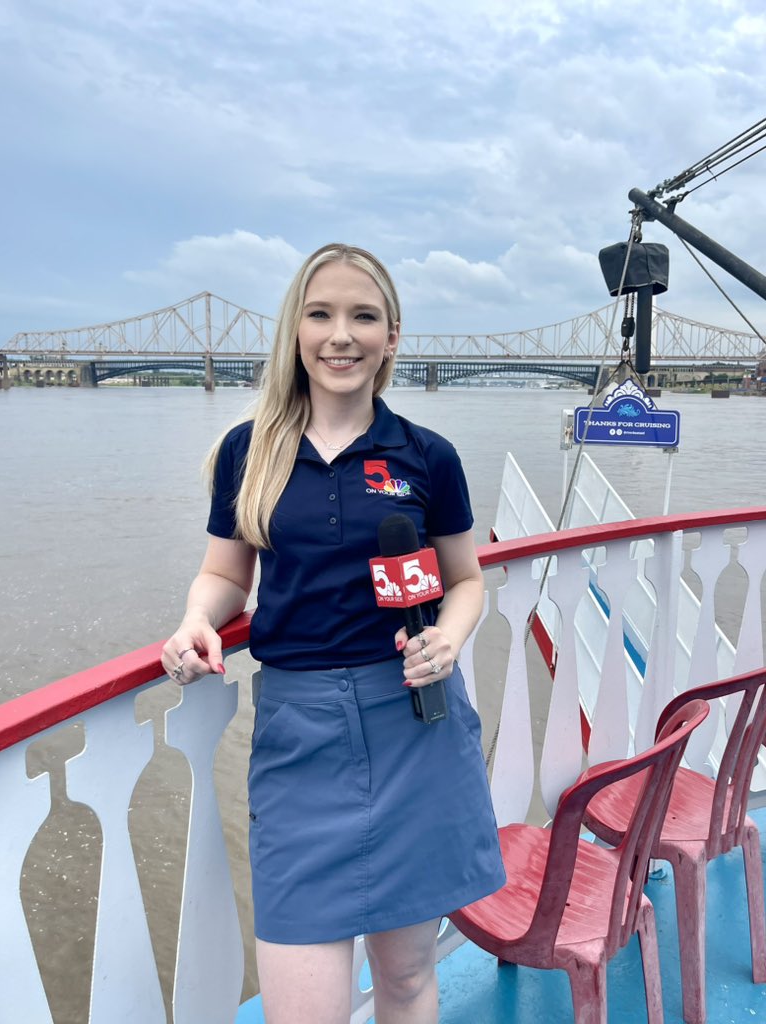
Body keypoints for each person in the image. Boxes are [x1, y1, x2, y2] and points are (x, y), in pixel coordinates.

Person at [161, 243, 504, 1024]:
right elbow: (225, 577)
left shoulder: (427, 456)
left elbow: (467, 580)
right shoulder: (248, 452)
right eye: (320, 314)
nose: (340, 334)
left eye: (363, 316)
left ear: (393, 335)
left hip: (416, 726)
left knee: (408, 978)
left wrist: (448, 637)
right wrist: (194, 622)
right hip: (298, 736)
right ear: (294, 329)